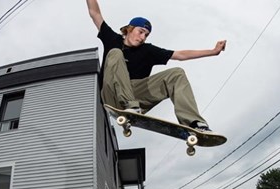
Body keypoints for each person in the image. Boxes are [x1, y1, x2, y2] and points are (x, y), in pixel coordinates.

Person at [86, 0, 226, 133]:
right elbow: (95, 13)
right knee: (115, 53)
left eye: (146, 35)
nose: (142, 37)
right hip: (111, 95)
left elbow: (180, 55)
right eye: (140, 32)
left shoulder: (148, 50)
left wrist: (212, 52)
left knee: (177, 74)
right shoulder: (112, 39)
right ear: (129, 29)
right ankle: (131, 106)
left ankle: (194, 123)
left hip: (136, 96)